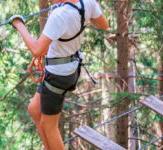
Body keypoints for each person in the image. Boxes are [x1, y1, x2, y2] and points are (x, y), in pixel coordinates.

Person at [9, 0, 109, 149]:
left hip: (57, 75)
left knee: (49, 126)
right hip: (70, 68)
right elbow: (104, 25)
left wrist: (18, 24)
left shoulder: (60, 15)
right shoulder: (88, 3)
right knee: (34, 109)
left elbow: (37, 50)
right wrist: (82, 18)